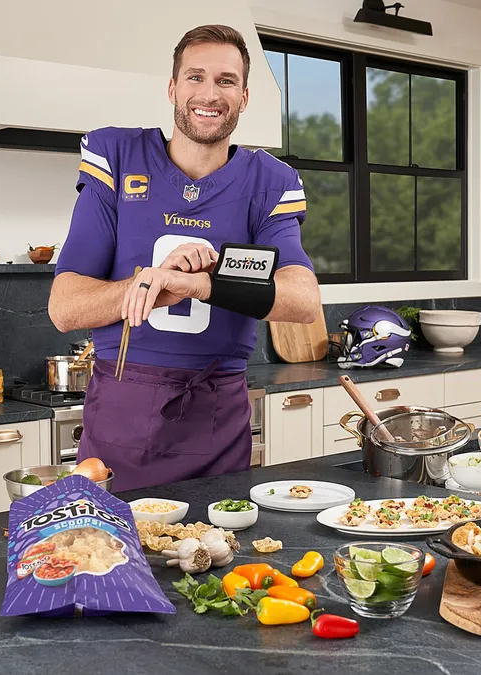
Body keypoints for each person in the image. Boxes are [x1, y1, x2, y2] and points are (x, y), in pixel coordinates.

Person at [48, 24, 321, 492]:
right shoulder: (118, 155)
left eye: (226, 80)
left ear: (245, 95)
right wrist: (149, 286)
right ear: (173, 88)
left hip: (215, 415)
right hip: (121, 414)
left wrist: (202, 284)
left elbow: (303, 300)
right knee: (112, 558)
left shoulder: (268, 182)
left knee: (219, 558)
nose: (209, 94)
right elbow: (65, 307)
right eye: (195, 77)